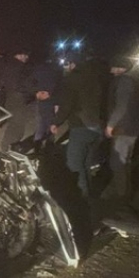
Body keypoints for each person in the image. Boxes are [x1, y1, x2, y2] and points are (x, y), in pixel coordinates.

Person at [50, 57, 105, 198]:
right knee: (86, 164)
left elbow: (67, 104)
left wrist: (56, 122)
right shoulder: (96, 77)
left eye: (68, 64)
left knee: (74, 165)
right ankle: (88, 194)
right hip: (97, 127)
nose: (67, 67)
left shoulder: (73, 79)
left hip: (81, 125)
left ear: (73, 64)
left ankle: (81, 199)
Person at [103, 58, 139, 200]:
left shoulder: (124, 82)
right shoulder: (136, 80)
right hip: (134, 127)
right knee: (125, 160)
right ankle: (126, 189)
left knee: (117, 162)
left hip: (123, 128)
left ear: (121, 68)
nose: (110, 69)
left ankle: (120, 195)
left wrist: (110, 125)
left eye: (113, 66)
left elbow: (121, 106)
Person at [0, 49, 42, 150]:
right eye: (25, 56)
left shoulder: (9, 66)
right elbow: (25, 84)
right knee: (17, 126)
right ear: (20, 55)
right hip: (17, 99)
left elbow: (3, 83)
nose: (27, 58)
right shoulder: (20, 68)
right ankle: (7, 148)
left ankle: (8, 147)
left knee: (14, 124)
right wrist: (35, 92)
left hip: (10, 98)